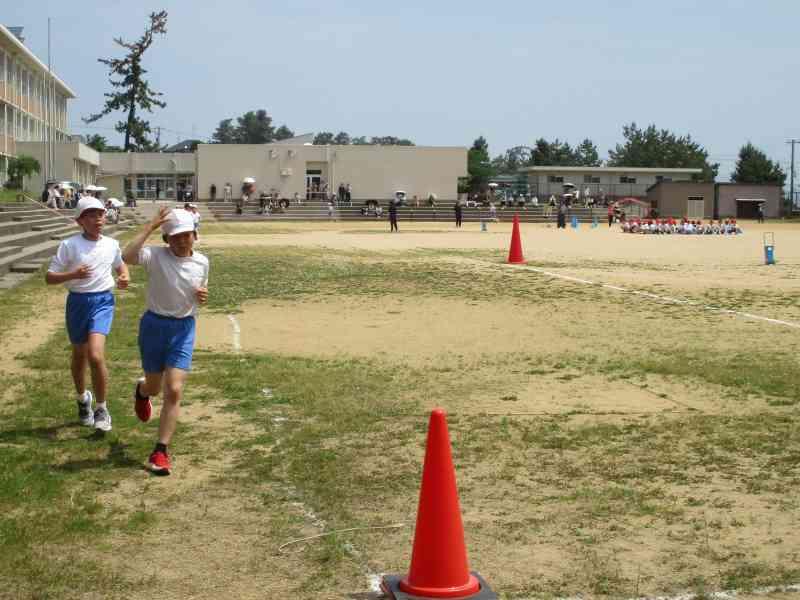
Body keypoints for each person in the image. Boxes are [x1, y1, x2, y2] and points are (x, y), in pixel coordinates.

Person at [122, 208, 209, 475]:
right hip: (153, 326)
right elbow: (126, 257)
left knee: (174, 389)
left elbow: (199, 291)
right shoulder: (155, 256)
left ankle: (160, 451)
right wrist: (149, 227)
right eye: (175, 236)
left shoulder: (202, 262)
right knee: (155, 387)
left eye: (186, 235)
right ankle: (142, 391)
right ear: (166, 239)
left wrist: (202, 295)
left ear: (195, 235)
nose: (181, 240)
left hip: (184, 328)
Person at [45, 197, 130, 432]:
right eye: (91, 216)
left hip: (103, 301)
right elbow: (49, 277)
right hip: (77, 303)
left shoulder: (111, 244)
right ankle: (83, 399)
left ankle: (102, 409)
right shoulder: (69, 245)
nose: (97, 219)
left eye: (100, 215)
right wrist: (72, 275)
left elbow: (120, 265)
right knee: (79, 355)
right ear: (80, 221)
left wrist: (125, 276)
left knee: (95, 355)